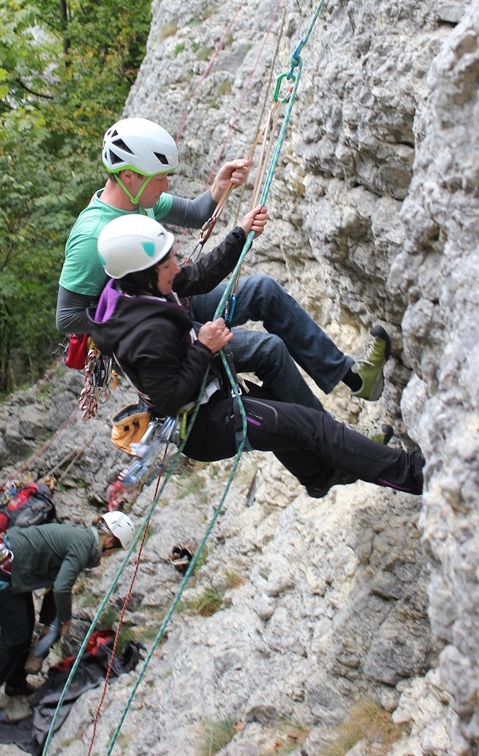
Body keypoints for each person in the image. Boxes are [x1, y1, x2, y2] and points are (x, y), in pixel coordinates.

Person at [86, 212, 425, 501]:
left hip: (212, 394)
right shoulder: (145, 334)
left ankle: (320, 475)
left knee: (289, 408)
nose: (176, 268)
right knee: (312, 427)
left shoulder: (141, 287)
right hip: (206, 424)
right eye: (167, 265)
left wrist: (240, 235)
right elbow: (169, 399)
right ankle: (413, 473)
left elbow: (198, 276)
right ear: (144, 275)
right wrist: (203, 347)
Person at [57, 117, 390, 407]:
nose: (166, 184)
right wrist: (147, 317)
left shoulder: (140, 201)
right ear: (129, 175)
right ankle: (332, 444)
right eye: (159, 177)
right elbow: (67, 317)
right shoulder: (92, 236)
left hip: (170, 299)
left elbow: (195, 213)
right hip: (156, 326)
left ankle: (354, 379)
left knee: (263, 290)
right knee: (268, 349)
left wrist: (220, 186)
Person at [0, 513, 134, 722]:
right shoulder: (83, 547)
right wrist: (65, 619)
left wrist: (47, 624)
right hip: (2, 570)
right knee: (15, 636)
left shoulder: (83, 542)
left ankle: (15, 683)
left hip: (13, 567)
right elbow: (61, 588)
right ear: (110, 541)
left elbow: (54, 583)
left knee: (24, 630)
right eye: (114, 550)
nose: (110, 555)